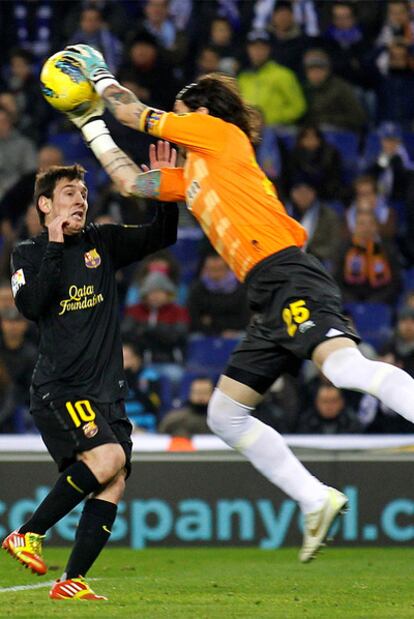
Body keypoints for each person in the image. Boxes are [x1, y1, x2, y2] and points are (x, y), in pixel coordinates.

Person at [61, 44, 414, 564]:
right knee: (226, 415)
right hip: (265, 292)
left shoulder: (220, 136)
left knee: (342, 369)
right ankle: (315, 497)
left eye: (180, 119)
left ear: (199, 115)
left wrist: (97, 75)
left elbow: (133, 113)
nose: (175, 131)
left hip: (287, 272)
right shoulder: (197, 175)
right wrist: (90, 123)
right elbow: (131, 181)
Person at [1, 140, 179, 600]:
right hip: (60, 387)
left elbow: (163, 235)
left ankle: (71, 580)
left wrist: (166, 191)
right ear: (45, 204)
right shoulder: (28, 253)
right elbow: (31, 305)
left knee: (114, 478)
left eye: (83, 192)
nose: (80, 199)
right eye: (68, 193)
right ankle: (27, 533)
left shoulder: (103, 241)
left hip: (105, 391)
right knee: (109, 460)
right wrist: (57, 244)